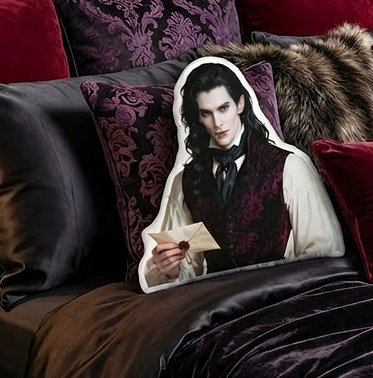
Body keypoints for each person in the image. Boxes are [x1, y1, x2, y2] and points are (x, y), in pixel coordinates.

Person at [140, 57, 344, 291]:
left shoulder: (290, 166)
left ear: (240, 104)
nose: (217, 123)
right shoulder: (186, 181)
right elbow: (186, 263)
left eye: (223, 108)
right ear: (198, 117)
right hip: (218, 302)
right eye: (206, 113)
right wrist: (170, 267)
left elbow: (322, 252)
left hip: (281, 294)